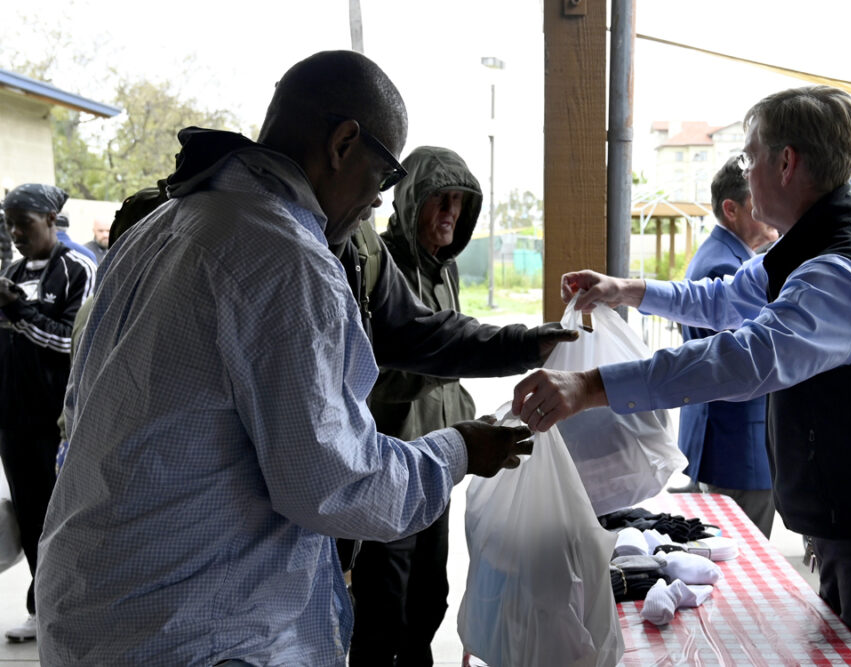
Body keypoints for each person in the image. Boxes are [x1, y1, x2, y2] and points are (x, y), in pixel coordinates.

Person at [35, 51, 535, 666]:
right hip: (194, 632)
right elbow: (337, 485)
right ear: (343, 143)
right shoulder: (286, 257)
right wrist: (460, 450)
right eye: (382, 179)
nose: (377, 203)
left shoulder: (164, 224)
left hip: (97, 608)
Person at [512, 86, 851, 665]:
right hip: (850, 526)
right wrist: (628, 291)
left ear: (786, 162)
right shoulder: (801, 249)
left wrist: (591, 387)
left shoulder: (839, 273)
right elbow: (724, 300)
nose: (746, 171)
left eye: (751, 156)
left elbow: (743, 358)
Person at [350, 146, 482, 666]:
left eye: (458, 202)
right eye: (438, 200)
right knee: (386, 609)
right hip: (391, 471)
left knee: (431, 599)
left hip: (438, 469)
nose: (449, 212)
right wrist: (449, 363)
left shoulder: (446, 270)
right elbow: (369, 381)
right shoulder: (379, 267)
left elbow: (449, 374)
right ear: (409, 202)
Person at [0, 183, 96, 643]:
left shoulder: (78, 267)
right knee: (30, 516)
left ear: (51, 221)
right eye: (10, 224)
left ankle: (77, 605)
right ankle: (43, 609)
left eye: (25, 223)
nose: (17, 232)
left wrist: (18, 312)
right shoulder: (12, 271)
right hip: (14, 422)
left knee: (66, 519)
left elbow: (74, 343)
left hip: (56, 423)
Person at [676, 156, 779, 537]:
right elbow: (746, 361)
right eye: (760, 202)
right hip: (740, 445)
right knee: (744, 551)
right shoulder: (725, 266)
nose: (770, 211)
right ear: (731, 209)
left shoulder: (729, 256)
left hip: (730, 437)